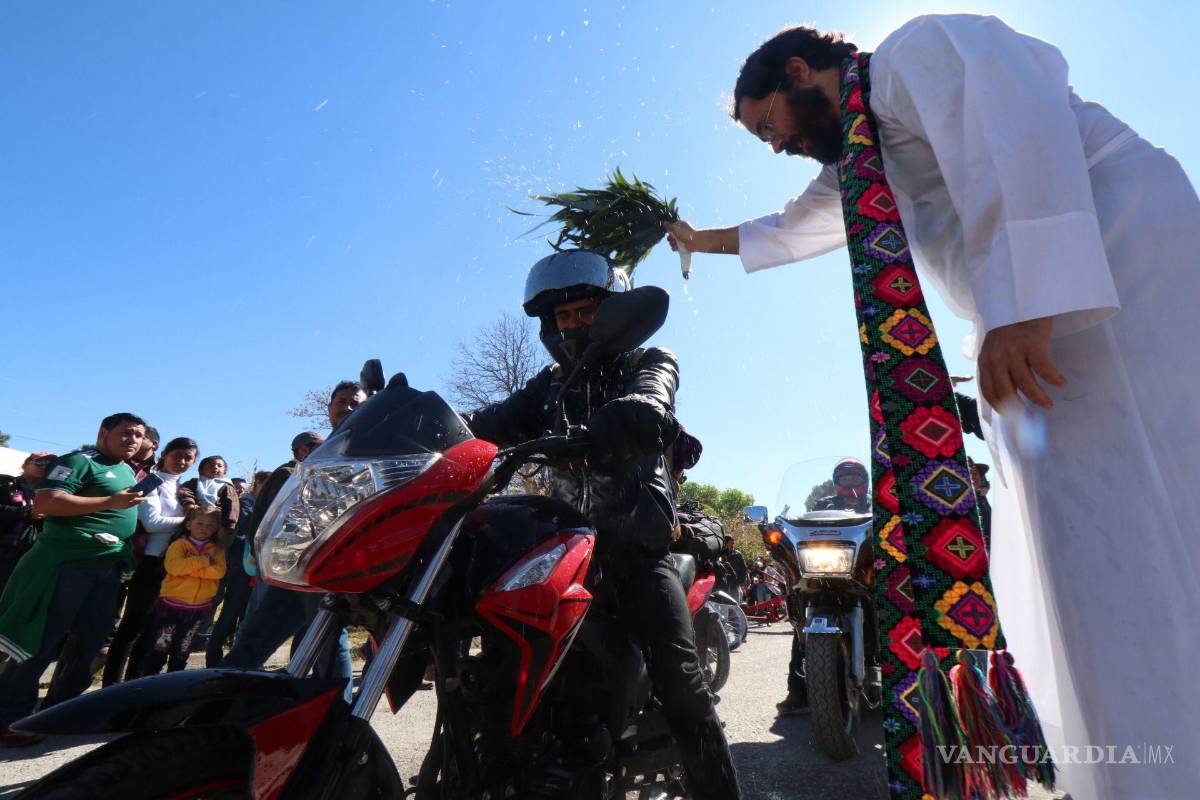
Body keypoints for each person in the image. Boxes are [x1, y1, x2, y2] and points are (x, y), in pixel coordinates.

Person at [665, 15, 1200, 796]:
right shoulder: (860, 157)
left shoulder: (916, 53)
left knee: (1138, 526)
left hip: (1109, 261)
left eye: (767, 124)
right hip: (1033, 301)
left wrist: (1025, 303)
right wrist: (693, 240)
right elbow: (788, 231)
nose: (774, 144)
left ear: (795, 70)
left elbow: (1013, 120)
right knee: (1079, 556)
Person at [464, 249, 740, 800]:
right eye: (563, 317)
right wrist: (437, 429)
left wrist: (637, 409)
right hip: (563, 552)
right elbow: (486, 423)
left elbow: (656, 389)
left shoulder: (646, 361)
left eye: (586, 311)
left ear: (613, 312)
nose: (573, 325)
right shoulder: (546, 387)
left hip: (636, 554)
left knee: (683, 689)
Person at [0, 413, 147, 745]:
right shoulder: (80, 461)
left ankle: (60, 713)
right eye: (125, 433)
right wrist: (111, 501)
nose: (133, 440)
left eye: (138, 435)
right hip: (67, 563)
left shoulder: (128, 470)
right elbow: (46, 501)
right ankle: (9, 716)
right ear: (103, 432)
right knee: (42, 640)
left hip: (106, 567)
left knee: (89, 643)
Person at [221, 429, 353, 703]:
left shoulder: (343, 470)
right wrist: (265, 559)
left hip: (317, 569)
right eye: (314, 445)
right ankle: (221, 695)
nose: (322, 447)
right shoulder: (288, 474)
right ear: (301, 451)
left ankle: (339, 710)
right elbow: (268, 520)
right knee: (256, 635)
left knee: (325, 638)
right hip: (286, 567)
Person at [777, 457, 870, 715]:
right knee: (804, 623)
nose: (850, 483)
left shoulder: (874, 505)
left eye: (855, 478)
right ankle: (797, 691)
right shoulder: (823, 505)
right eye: (845, 479)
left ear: (864, 481)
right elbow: (803, 526)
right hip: (825, 568)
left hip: (861, 570)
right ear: (837, 482)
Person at [103, 437, 199, 685]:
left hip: (176, 568)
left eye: (188, 458)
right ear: (164, 454)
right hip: (150, 563)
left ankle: (136, 683)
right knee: (131, 629)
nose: (182, 461)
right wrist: (194, 523)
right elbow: (152, 523)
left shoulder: (187, 488)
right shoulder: (150, 481)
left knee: (153, 631)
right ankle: (111, 686)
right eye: (177, 455)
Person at [140, 505, 225, 676]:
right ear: (189, 524)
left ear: (216, 528)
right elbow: (174, 567)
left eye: (209, 525)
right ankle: (149, 682)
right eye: (200, 524)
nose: (204, 529)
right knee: (160, 649)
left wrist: (190, 567)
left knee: (181, 652)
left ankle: (173, 683)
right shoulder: (178, 545)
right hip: (171, 608)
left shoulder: (217, 550)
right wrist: (203, 561)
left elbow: (219, 572)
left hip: (198, 611)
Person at [206, 469, 271, 666]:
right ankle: (214, 657)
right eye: (268, 483)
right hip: (241, 566)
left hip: (256, 566)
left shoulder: (264, 503)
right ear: (258, 482)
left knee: (246, 614)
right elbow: (243, 529)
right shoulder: (247, 501)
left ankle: (238, 658)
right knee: (230, 611)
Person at [0, 452, 55, 593]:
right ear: (25, 464)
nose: (43, 467)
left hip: (29, 554)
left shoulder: (52, 493)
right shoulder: (5, 483)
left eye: (49, 465)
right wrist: (27, 512)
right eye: (39, 462)